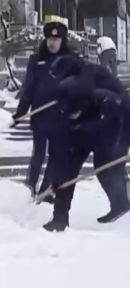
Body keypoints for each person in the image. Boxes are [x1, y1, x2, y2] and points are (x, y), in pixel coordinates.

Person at [41, 76, 130, 232]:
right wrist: (57, 180)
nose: (71, 115)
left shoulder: (108, 101)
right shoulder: (63, 115)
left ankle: (121, 206)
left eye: (74, 112)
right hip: (79, 137)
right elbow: (60, 152)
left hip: (114, 135)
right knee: (66, 172)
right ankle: (60, 219)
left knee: (105, 168)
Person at [13, 20, 74, 197]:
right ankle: (29, 187)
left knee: (55, 155)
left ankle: (45, 191)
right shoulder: (36, 60)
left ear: (62, 41)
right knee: (38, 154)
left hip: (61, 118)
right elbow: (28, 89)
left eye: (56, 39)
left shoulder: (70, 61)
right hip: (39, 116)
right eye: (49, 38)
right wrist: (20, 112)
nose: (52, 43)